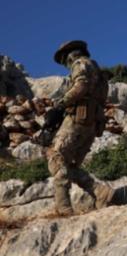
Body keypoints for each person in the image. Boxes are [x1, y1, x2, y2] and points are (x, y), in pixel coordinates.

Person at [47, 40, 113, 215]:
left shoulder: (80, 64)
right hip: (91, 124)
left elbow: (81, 86)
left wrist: (59, 106)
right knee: (69, 166)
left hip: (77, 120)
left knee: (55, 156)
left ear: (69, 56)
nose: (66, 64)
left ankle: (63, 208)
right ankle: (101, 192)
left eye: (64, 60)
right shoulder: (99, 72)